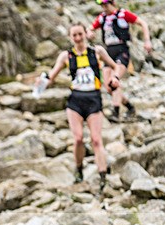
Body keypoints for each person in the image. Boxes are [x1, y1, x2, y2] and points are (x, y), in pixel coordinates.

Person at [42, 22, 120, 193]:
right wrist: (40, 85)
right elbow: (52, 76)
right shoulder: (66, 56)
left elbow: (115, 67)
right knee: (78, 139)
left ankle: (102, 176)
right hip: (75, 101)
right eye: (74, 35)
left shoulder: (97, 51)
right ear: (70, 37)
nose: (77, 38)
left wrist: (115, 79)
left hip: (94, 99)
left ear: (86, 34)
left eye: (80, 34)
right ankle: (78, 169)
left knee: (96, 140)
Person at [87, 0, 152, 122]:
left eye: (106, 5)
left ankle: (115, 112)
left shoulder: (123, 14)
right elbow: (89, 28)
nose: (104, 8)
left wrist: (147, 40)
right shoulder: (102, 18)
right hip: (108, 52)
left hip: (122, 50)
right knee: (108, 86)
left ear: (113, 4)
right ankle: (129, 106)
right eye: (102, 6)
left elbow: (143, 23)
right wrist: (89, 33)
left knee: (114, 80)